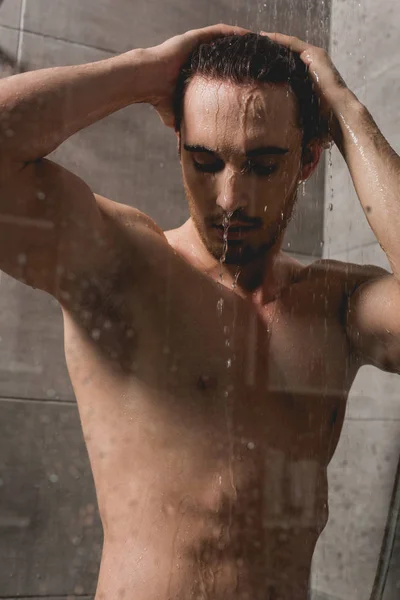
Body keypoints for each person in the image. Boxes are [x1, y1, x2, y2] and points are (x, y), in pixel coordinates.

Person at [0, 23, 399, 600]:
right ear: (179, 148)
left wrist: (347, 114)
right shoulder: (124, 268)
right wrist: (141, 70)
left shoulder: (338, 305)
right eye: (205, 161)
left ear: (309, 160)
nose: (231, 199)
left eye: (263, 165)